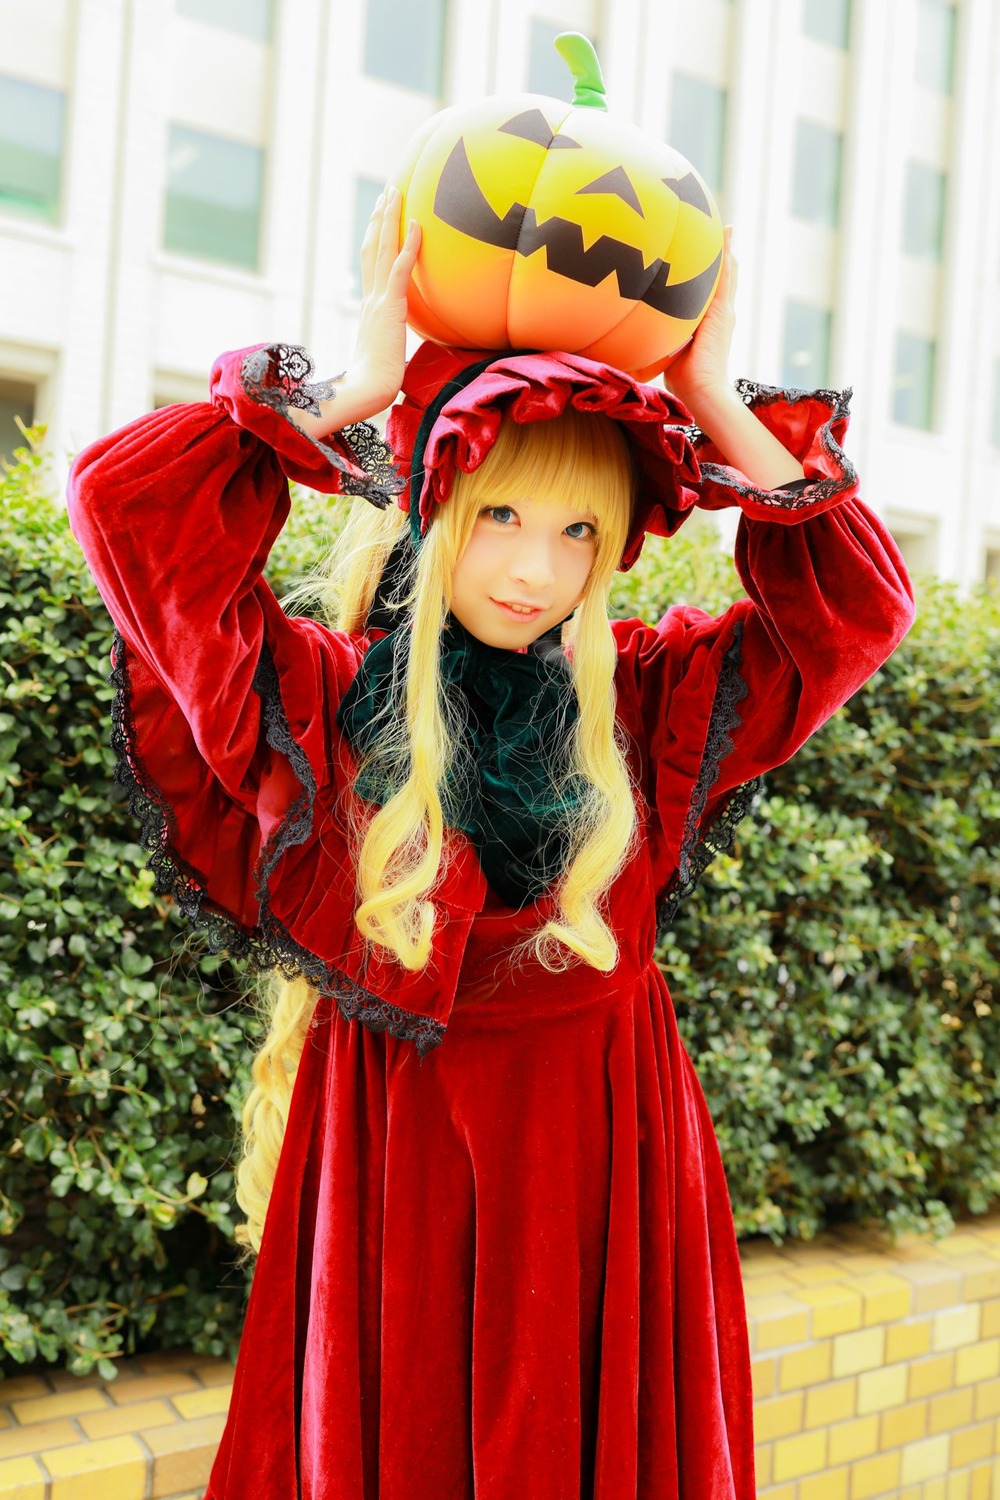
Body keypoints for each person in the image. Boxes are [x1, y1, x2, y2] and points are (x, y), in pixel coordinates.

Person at [68, 187, 914, 1499]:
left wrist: (714, 401)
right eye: (503, 517)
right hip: (400, 1159)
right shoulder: (316, 703)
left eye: (579, 530)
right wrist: (356, 382)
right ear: (435, 509)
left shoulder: (645, 701)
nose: (536, 569)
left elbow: (854, 614)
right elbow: (129, 510)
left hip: (608, 1149)